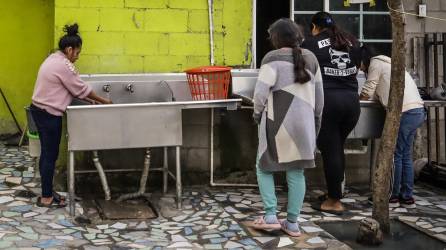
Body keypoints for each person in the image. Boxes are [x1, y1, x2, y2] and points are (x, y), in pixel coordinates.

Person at [251, 18, 323, 236]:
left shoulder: (271, 58)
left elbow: (260, 95)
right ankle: (292, 223)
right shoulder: (311, 59)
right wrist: (315, 124)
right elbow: (320, 100)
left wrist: (256, 116)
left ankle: (271, 215)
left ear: (276, 38)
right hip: (305, 126)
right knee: (296, 172)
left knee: (263, 166)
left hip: (277, 123)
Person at [30, 24, 112, 208]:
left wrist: (87, 99)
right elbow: (80, 88)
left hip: (39, 110)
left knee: (47, 154)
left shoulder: (54, 57)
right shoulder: (64, 65)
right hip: (49, 114)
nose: (77, 56)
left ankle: (48, 191)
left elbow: (70, 87)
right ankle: (46, 198)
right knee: (50, 155)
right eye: (77, 52)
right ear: (69, 49)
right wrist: (103, 101)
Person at [301, 11, 361, 214]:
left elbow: (302, 73)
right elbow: (357, 69)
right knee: (336, 148)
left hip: (329, 103)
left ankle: (334, 201)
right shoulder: (352, 41)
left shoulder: (310, 44)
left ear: (314, 26)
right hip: (352, 103)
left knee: (331, 151)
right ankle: (334, 193)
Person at [360, 45, 425, 208]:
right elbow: (379, 91)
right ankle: (407, 197)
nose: (359, 68)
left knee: (394, 155)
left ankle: (391, 197)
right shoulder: (391, 63)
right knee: (405, 155)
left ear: (364, 59)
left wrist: (358, 97)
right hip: (417, 110)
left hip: (404, 112)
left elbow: (368, 90)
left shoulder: (375, 63)